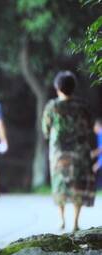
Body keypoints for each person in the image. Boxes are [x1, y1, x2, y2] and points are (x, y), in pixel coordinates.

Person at [42, 71, 96, 232]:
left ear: (57, 87)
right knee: (77, 184)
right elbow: (90, 126)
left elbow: (45, 129)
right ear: (73, 87)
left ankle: (61, 220)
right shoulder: (83, 106)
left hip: (59, 153)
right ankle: (76, 222)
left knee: (60, 184)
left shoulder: (52, 106)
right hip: (80, 152)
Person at [91, 119, 102, 189]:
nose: (93, 128)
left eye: (95, 126)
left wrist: (93, 153)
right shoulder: (98, 135)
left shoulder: (101, 134)